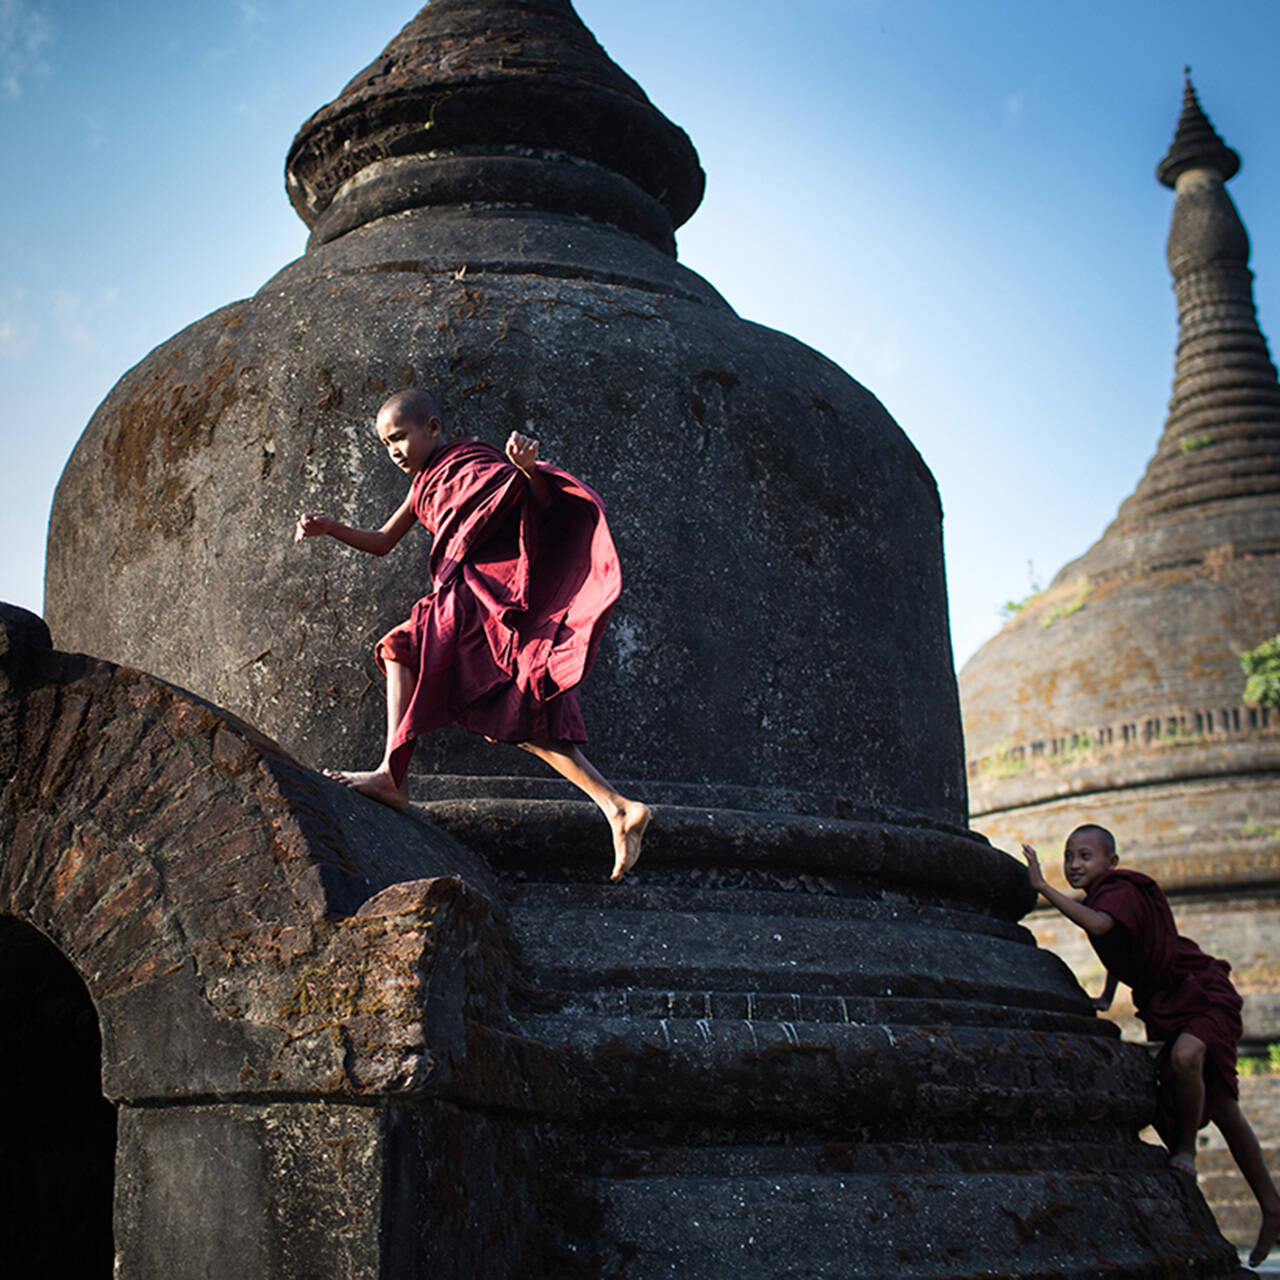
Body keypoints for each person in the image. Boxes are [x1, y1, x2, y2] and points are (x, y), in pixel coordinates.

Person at [294, 387, 650, 881]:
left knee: (402, 647)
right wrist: (333, 528)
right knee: (515, 714)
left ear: (433, 428)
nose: (394, 450)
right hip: (462, 599)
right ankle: (617, 807)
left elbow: (538, 505)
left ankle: (392, 777)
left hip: (485, 598)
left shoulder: (475, 460)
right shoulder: (420, 488)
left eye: (399, 436)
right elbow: (381, 543)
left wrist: (526, 468)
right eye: (385, 444)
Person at [1022, 824, 1280, 1268]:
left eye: (1085, 856)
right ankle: (1273, 1205)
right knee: (1222, 1108)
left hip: (1200, 990)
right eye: (1068, 857)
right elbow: (1126, 947)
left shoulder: (1117, 892)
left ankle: (1187, 1151)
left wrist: (1043, 886)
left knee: (1186, 1058)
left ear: (1111, 863)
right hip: (1172, 1001)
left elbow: (1104, 925)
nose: (1074, 865)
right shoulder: (1108, 896)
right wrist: (1108, 993)